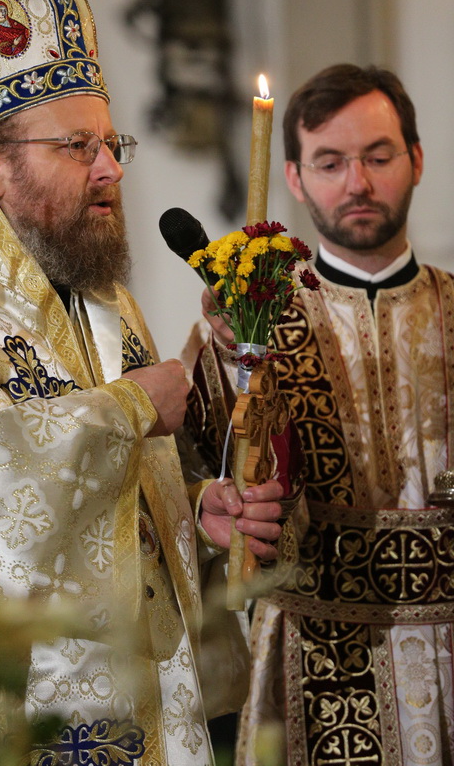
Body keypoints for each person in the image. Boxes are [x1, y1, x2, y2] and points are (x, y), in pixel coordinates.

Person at [0, 0, 283, 765]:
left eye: (112, 144)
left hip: (145, 702)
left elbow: (118, 487)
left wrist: (191, 509)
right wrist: (127, 410)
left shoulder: (97, 293)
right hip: (19, 713)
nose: (110, 168)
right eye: (78, 147)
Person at [190, 63, 454, 765]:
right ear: (295, 178)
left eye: (378, 156)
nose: (356, 182)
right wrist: (214, 502)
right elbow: (197, 479)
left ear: (417, 159)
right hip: (314, 654)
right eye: (330, 163)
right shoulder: (247, 327)